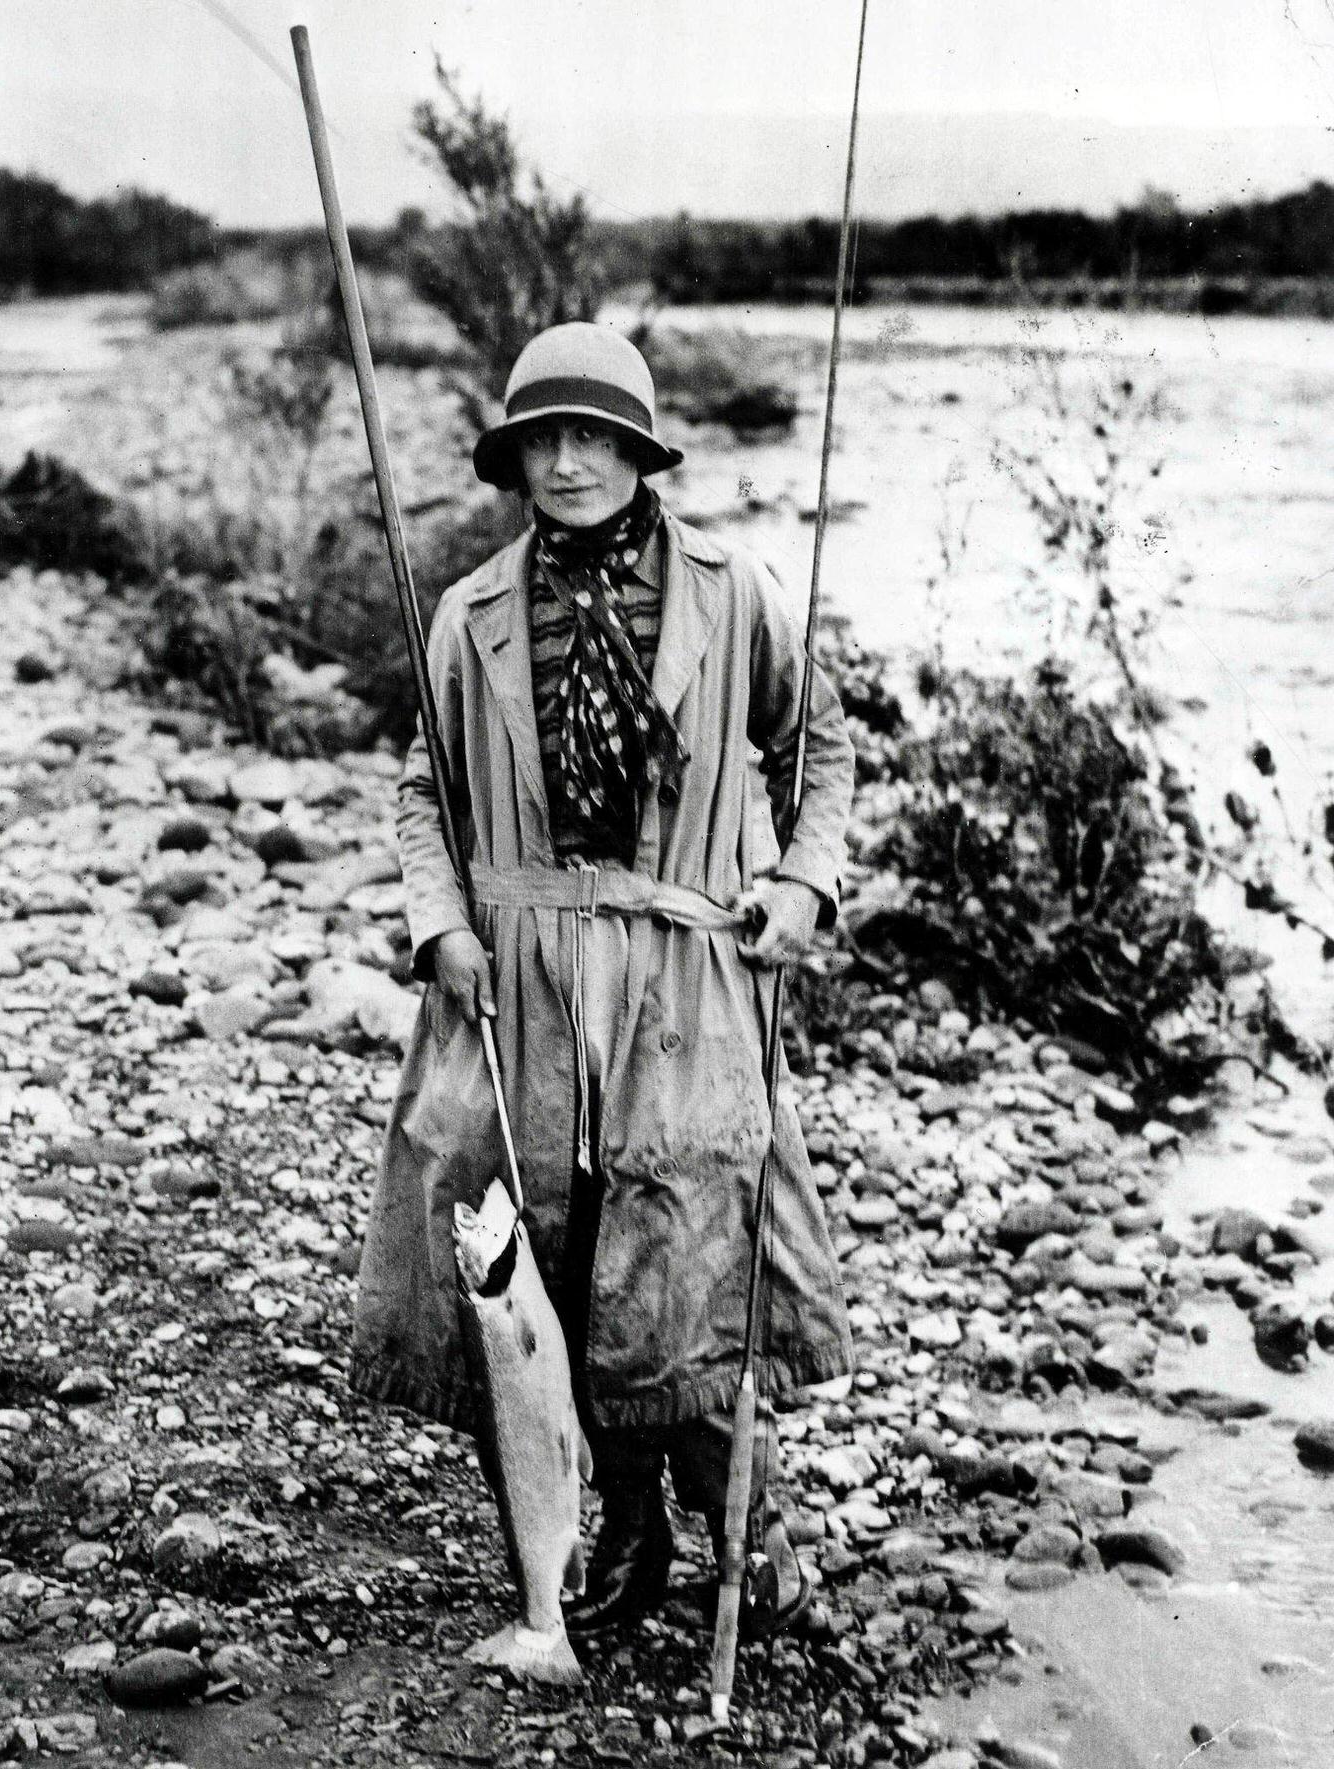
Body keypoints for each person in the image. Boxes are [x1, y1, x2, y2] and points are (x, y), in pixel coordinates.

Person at [351, 321, 854, 1636]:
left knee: (680, 1243)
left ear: (637, 451)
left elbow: (824, 754)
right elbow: (426, 791)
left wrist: (801, 881)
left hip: (682, 974)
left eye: (592, 436)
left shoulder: (734, 592)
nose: (567, 462)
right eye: (542, 439)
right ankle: (607, 1535)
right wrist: (438, 921)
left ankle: (745, 1516)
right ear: (513, 458)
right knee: (529, 1243)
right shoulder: (465, 617)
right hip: (514, 968)